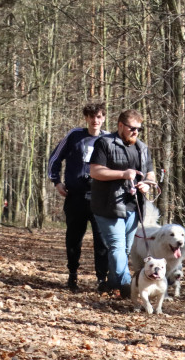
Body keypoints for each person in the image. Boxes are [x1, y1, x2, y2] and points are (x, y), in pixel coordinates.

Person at [89, 109, 156, 298]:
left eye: (139, 129)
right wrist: (123, 174)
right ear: (120, 126)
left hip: (134, 206)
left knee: (125, 249)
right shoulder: (105, 143)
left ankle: (112, 284)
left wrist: (148, 184)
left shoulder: (142, 148)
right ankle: (129, 287)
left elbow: (150, 172)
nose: (136, 132)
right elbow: (95, 171)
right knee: (117, 247)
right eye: (132, 128)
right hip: (108, 205)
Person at [48, 103, 109, 292]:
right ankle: (72, 274)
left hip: (100, 198)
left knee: (102, 240)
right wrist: (56, 181)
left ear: (104, 118)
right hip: (76, 196)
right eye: (91, 116)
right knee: (74, 238)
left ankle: (102, 279)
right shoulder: (74, 135)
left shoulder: (109, 139)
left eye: (99, 117)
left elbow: (117, 167)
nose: (95, 120)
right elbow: (54, 159)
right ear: (86, 118)